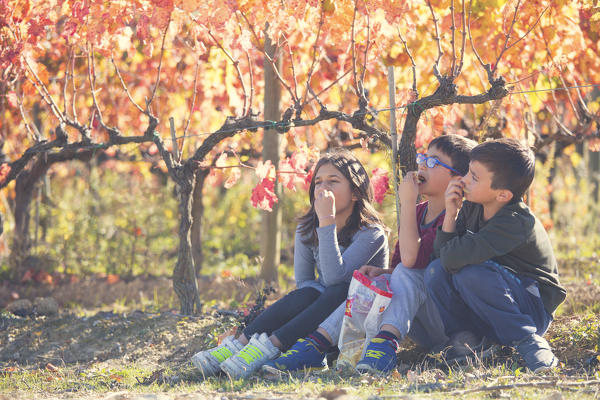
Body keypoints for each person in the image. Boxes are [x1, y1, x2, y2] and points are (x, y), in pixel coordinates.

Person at [263, 134, 476, 373]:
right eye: (423, 158)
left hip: (453, 331)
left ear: (457, 180)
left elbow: (411, 263)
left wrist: (406, 203)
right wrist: (382, 273)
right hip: (421, 325)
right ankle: (316, 344)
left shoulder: (461, 215)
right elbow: (400, 267)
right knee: (376, 280)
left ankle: (383, 344)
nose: (423, 165)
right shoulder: (418, 213)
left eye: (434, 162)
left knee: (405, 271)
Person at [191, 149, 389, 378]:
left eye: (333, 181)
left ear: (355, 192)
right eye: (319, 182)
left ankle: (266, 349)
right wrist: (323, 223)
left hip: (349, 325)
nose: (323, 188)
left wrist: (327, 221)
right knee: (308, 292)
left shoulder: (371, 233)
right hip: (314, 316)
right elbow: (304, 281)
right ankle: (238, 346)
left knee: (339, 289)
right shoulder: (307, 227)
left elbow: (337, 278)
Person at [423, 138, 566, 373]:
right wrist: (450, 214)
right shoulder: (472, 206)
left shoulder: (514, 222)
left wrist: (452, 255)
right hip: (495, 298)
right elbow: (440, 260)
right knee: (434, 271)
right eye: (468, 171)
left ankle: (528, 341)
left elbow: (452, 259)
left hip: (531, 306)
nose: (464, 180)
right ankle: (468, 342)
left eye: (474, 178)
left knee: (469, 273)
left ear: (503, 195)